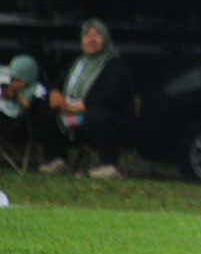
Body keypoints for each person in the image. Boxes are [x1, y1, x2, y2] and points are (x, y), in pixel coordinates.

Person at [36, 19, 137, 179]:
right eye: (87, 35)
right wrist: (55, 94)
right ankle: (57, 159)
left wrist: (80, 107)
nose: (92, 40)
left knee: (96, 114)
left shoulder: (116, 65)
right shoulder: (77, 63)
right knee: (48, 108)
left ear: (105, 38)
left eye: (97, 35)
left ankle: (110, 165)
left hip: (111, 119)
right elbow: (58, 83)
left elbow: (111, 96)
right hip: (74, 113)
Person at [0, 54, 43, 133]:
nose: (15, 83)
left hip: (11, 115)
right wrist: (5, 93)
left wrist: (16, 96)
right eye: (13, 79)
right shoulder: (8, 85)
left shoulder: (34, 90)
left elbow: (29, 106)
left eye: (19, 80)